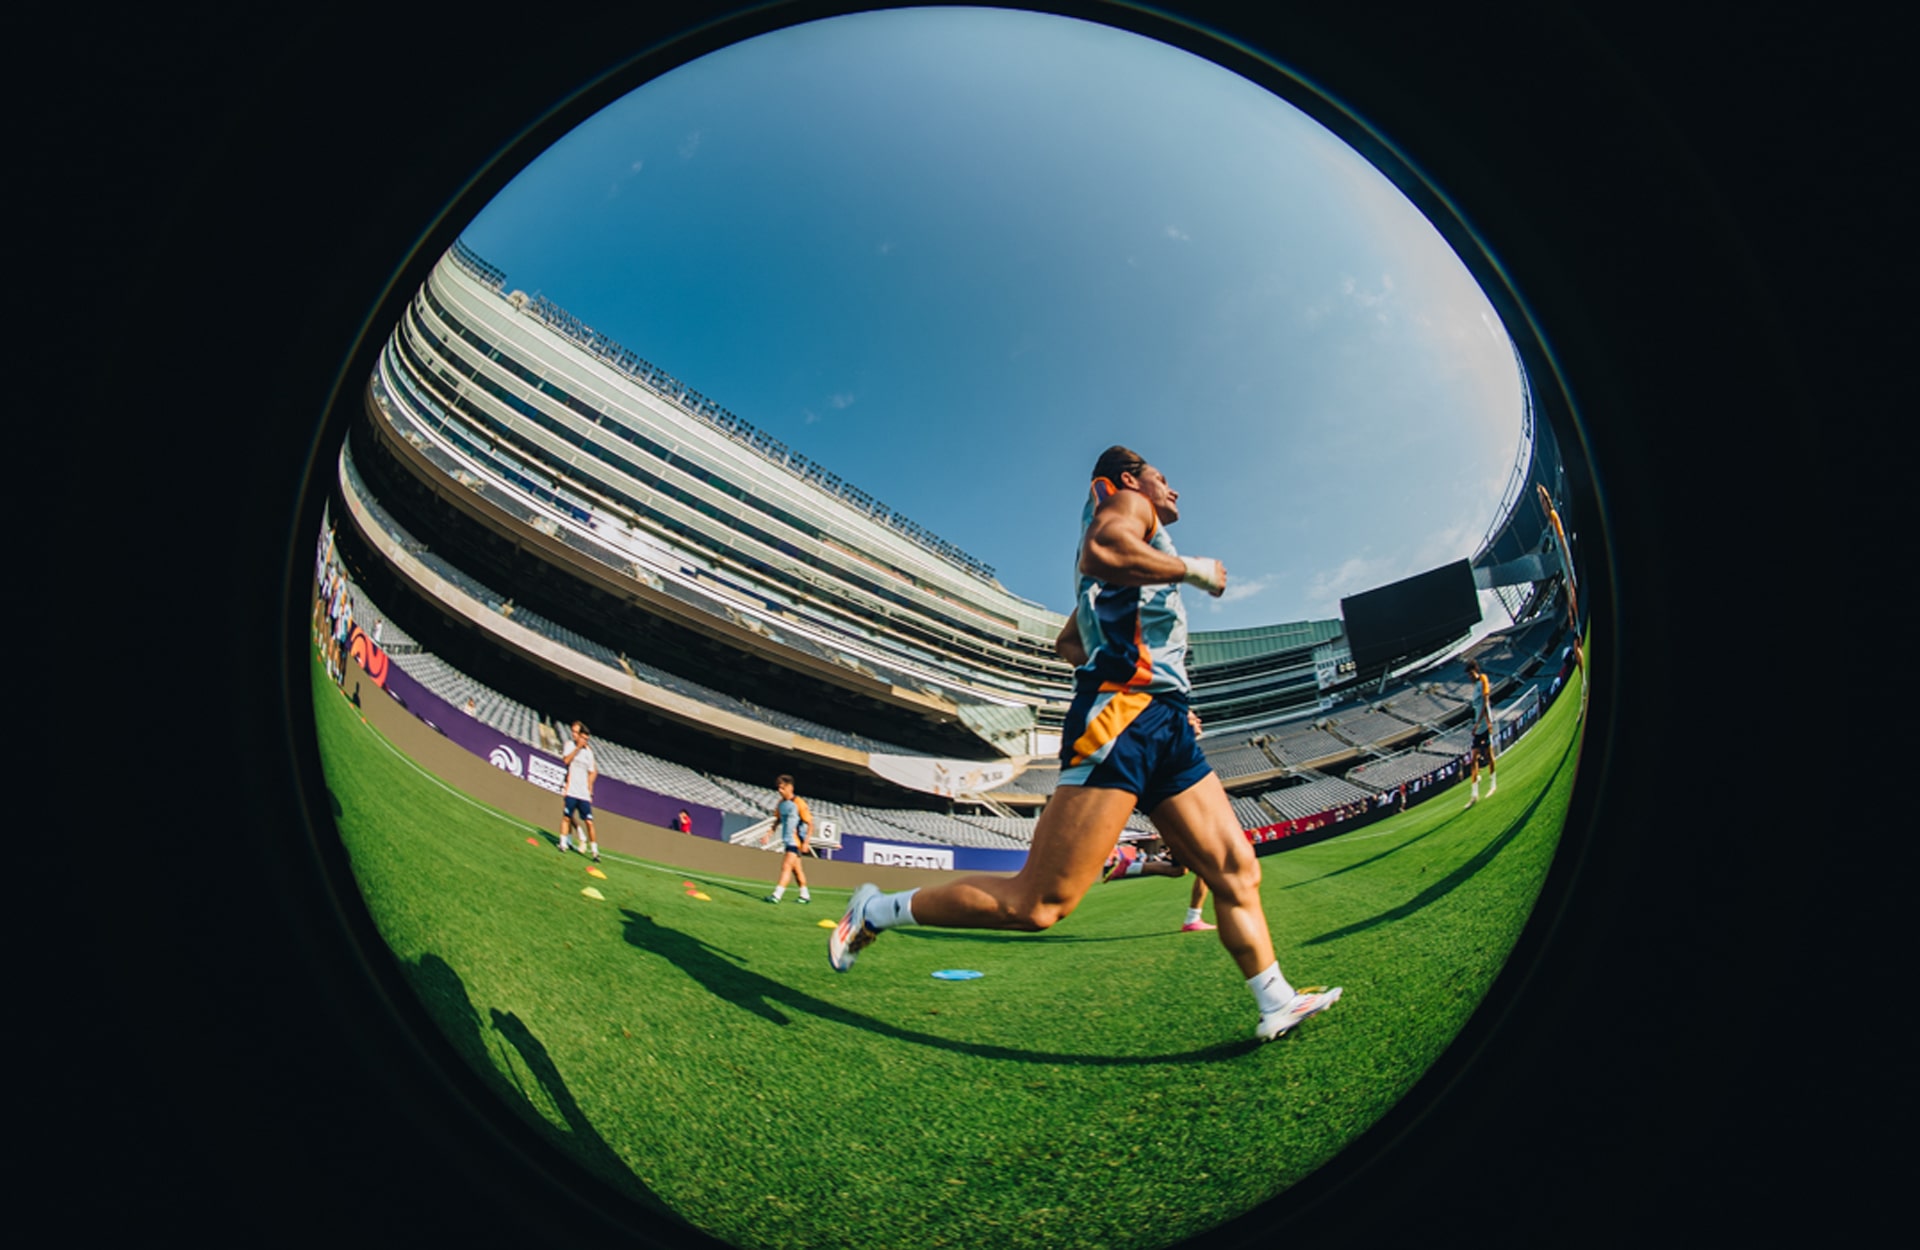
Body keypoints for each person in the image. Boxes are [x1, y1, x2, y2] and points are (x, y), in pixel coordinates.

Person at [829, 446, 1341, 1041]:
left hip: (1162, 720)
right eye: (1162, 478)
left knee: (1235, 869)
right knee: (1038, 905)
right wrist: (1194, 571)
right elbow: (1103, 550)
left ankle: (1276, 1000)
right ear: (1130, 479)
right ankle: (875, 910)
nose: (1173, 490)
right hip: (1122, 722)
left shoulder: (1131, 546)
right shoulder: (1129, 506)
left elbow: (1070, 642)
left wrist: (1150, 682)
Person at [763, 775, 813, 904]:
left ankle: (777, 895)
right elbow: (778, 820)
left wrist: (806, 842)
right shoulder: (781, 804)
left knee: (786, 866)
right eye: (778, 788)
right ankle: (805, 895)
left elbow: (810, 824)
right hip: (787, 840)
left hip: (795, 841)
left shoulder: (799, 803)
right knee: (797, 870)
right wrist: (769, 834)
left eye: (782, 788)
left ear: (790, 787)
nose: (780, 791)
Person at [557, 721, 599, 862]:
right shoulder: (570, 745)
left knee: (589, 821)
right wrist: (577, 748)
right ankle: (565, 842)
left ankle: (594, 851)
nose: (573, 734)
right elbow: (566, 761)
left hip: (583, 793)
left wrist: (590, 788)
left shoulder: (589, 752)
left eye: (576, 732)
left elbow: (593, 771)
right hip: (570, 787)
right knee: (567, 815)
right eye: (573, 732)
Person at [1462, 659, 1497, 807]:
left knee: (1489, 755)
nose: (1470, 677)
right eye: (1468, 675)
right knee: (1473, 759)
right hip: (1477, 727)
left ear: (1475, 670)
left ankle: (1493, 785)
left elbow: (1485, 703)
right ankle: (1474, 795)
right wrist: (1475, 724)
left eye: (1471, 674)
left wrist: (1484, 723)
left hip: (1484, 725)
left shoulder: (1483, 679)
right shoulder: (1474, 687)